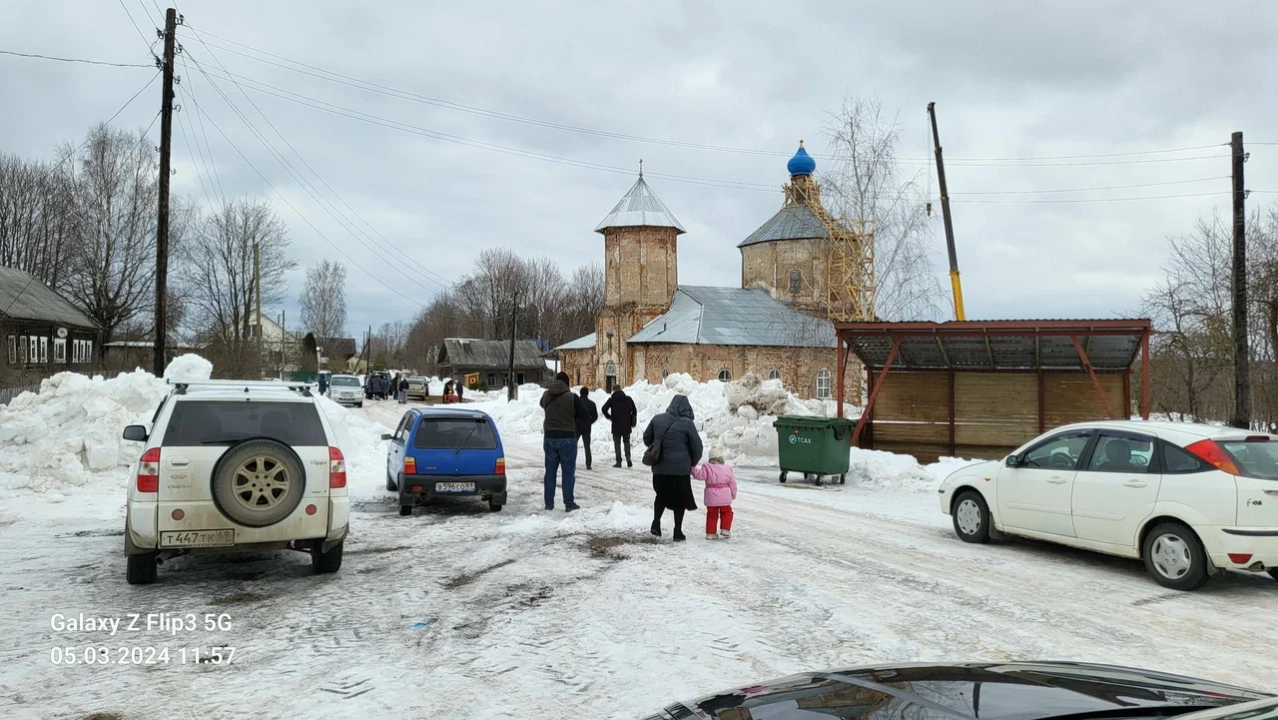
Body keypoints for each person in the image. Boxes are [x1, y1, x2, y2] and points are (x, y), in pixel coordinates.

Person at [642, 395, 702, 541]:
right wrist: (691, 462)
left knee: (661, 495)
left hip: (660, 469)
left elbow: (646, 438)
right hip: (680, 471)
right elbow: (697, 447)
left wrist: (656, 445)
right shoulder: (687, 423)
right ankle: (677, 531)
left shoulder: (658, 419)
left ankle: (656, 523)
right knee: (679, 500)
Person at [540, 372, 587, 512]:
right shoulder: (572, 397)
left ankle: (549, 503)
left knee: (550, 472)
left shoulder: (546, 396)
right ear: (567, 383)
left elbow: (542, 404)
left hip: (549, 437)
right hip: (567, 437)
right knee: (567, 472)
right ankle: (568, 502)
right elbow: (584, 414)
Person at [692, 449, 738, 539]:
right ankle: (725, 529)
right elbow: (733, 483)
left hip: (711, 497)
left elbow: (700, 475)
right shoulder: (727, 468)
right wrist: (733, 494)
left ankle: (711, 533)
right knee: (727, 512)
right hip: (725, 497)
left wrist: (692, 468)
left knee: (712, 514)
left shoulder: (707, 467)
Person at [602, 387, 637, 468]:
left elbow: (603, 409)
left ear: (613, 391)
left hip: (616, 425)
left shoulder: (611, 399)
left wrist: (609, 417)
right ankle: (628, 459)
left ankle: (618, 462)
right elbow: (634, 410)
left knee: (617, 444)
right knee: (626, 442)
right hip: (626, 425)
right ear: (621, 390)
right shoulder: (628, 399)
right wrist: (631, 418)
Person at [576, 386, 599, 470]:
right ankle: (588, 464)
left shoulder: (576, 402)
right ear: (587, 393)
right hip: (586, 427)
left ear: (580, 393)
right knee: (587, 446)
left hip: (577, 427)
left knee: (573, 445)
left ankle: (570, 462)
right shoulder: (592, 404)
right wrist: (590, 422)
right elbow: (595, 416)